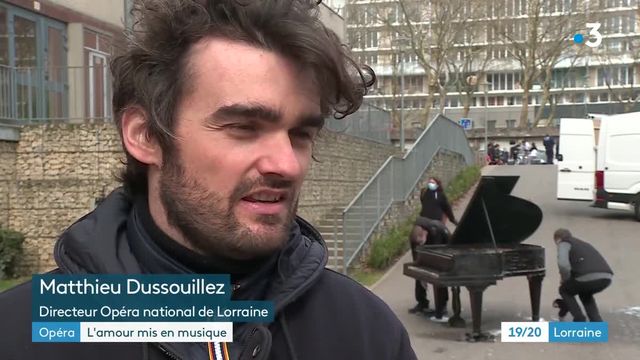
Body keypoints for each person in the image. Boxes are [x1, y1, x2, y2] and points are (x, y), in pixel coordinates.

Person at [0, 1, 417, 359]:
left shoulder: (364, 333)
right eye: (243, 127)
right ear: (145, 135)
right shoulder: (25, 335)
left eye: (301, 134)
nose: (287, 164)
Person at [408, 177, 457, 322]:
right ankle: (422, 302)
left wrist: (454, 221)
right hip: (424, 230)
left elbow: (447, 210)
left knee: (438, 271)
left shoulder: (441, 196)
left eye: (433, 182)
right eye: (430, 182)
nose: (431, 184)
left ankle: (442, 306)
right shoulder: (426, 195)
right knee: (419, 269)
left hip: (435, 234)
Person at [553, 228, 613, 322]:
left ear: (557, 239)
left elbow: (563, 264)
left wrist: (565, 279)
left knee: (564, 290)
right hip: (606, 277)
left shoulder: (564, 243)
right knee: (585, 292)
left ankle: (579, 319)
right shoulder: (585, 244)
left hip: (586, 277)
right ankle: (597, 323)